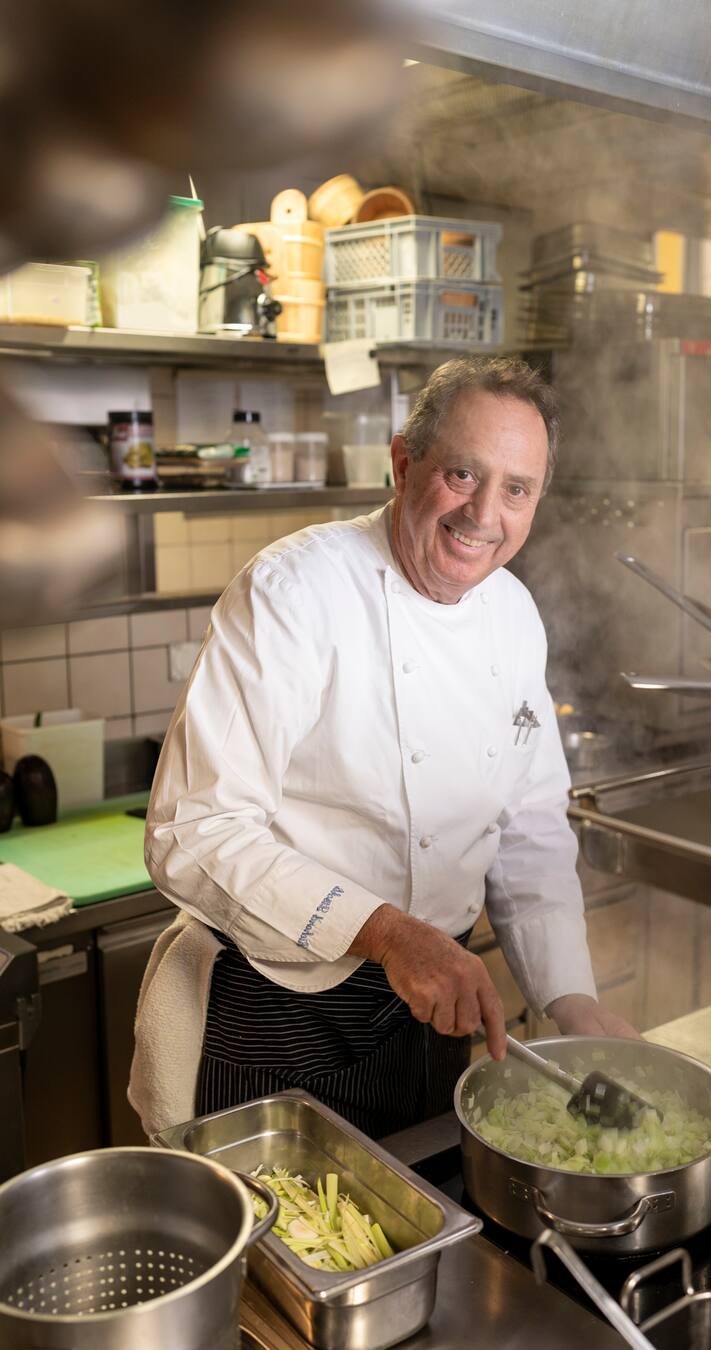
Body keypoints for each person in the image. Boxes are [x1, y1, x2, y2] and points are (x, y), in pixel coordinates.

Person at [137, 355, 636, 1140]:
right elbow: (192, 832)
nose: (484, 514)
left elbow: (530, 829)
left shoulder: (512, 613)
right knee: (291, 1258)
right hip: (286, 1015)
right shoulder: (293, 592)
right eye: (463, 474)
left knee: (425, 1235)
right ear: (404, 463)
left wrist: (567, 997)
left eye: (517, 489)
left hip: (433, 1017)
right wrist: (391, 935)